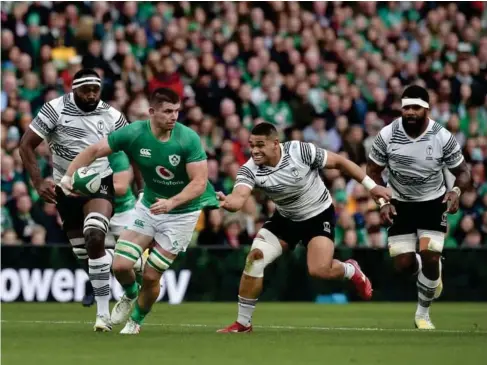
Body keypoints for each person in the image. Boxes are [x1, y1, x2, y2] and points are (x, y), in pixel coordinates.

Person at [63, 87, 219, 334]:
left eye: (177, 111)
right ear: (152, 112)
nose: (174, 116)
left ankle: (136, 320)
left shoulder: (188, 138)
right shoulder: (135, 133)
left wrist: (172, 202)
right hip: (149, 206)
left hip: (182, 213)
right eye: (168, 111)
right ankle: (129, 294)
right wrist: (68, 176)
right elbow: (94, 150)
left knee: (150, 275)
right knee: (121, 266)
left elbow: (199, 183)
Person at [216, 122, 391, 333]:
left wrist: (373, 187)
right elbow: (239, 198)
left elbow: (341, 163)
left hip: (318, 215)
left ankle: (350, 269)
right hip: (286, 218)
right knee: (255, 259)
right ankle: (243, 324)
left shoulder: (300, 151)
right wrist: (228, 202)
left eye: (260, 145)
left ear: (275, 144)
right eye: (252, 145)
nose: (254, 150)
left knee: (318, 270)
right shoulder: (250, 169)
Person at [19, 68, 128, 331]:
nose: (91, 95)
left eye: (96, 90)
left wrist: (142, 184)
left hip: (100, 182)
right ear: (74, 88)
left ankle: (102, 316)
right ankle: (125, 260)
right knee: (86, 253)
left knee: (94, 235)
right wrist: (37, 182)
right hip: (65, 186)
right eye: (86, 90)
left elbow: (132, 146)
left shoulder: (112, 115)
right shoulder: (54, 110)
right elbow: (25, 145)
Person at [366, 85, 471, 330]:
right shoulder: (387, 134)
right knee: (403, 265)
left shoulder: (442, 136)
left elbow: (463, 172)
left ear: (427, 109)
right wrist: (383, 201)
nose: (410, 112)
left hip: (433, 203)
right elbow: (372, 171)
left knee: (431, 254)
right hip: (400, 203)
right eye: (406, 108)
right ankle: (427, 266)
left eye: (415, 108)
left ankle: (422, 314)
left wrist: (455, 191)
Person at [82, 150, 145, 308]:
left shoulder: (117, 155)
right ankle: (94, 289)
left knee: (130, 259)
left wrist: (89, 186)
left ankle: (141, 285)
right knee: (92, 251)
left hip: (122, 211)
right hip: (96, 209)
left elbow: (121, 187)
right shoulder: (84, 153)